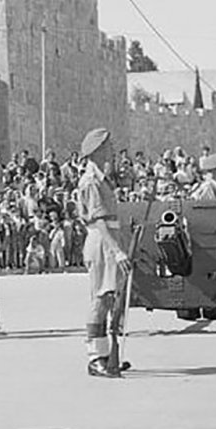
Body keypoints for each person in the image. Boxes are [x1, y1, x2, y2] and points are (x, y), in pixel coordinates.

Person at [77, 127, 133, 377]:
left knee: (109, 297)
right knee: (100, 298)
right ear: (98, 150)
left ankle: (107, 355)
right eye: (108, 147)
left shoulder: (101, 178)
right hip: (102, 241)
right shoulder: (90, 181)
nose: (112, 150)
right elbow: (99, 220)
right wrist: (117, 251)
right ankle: (95, 357)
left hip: (108, 239)